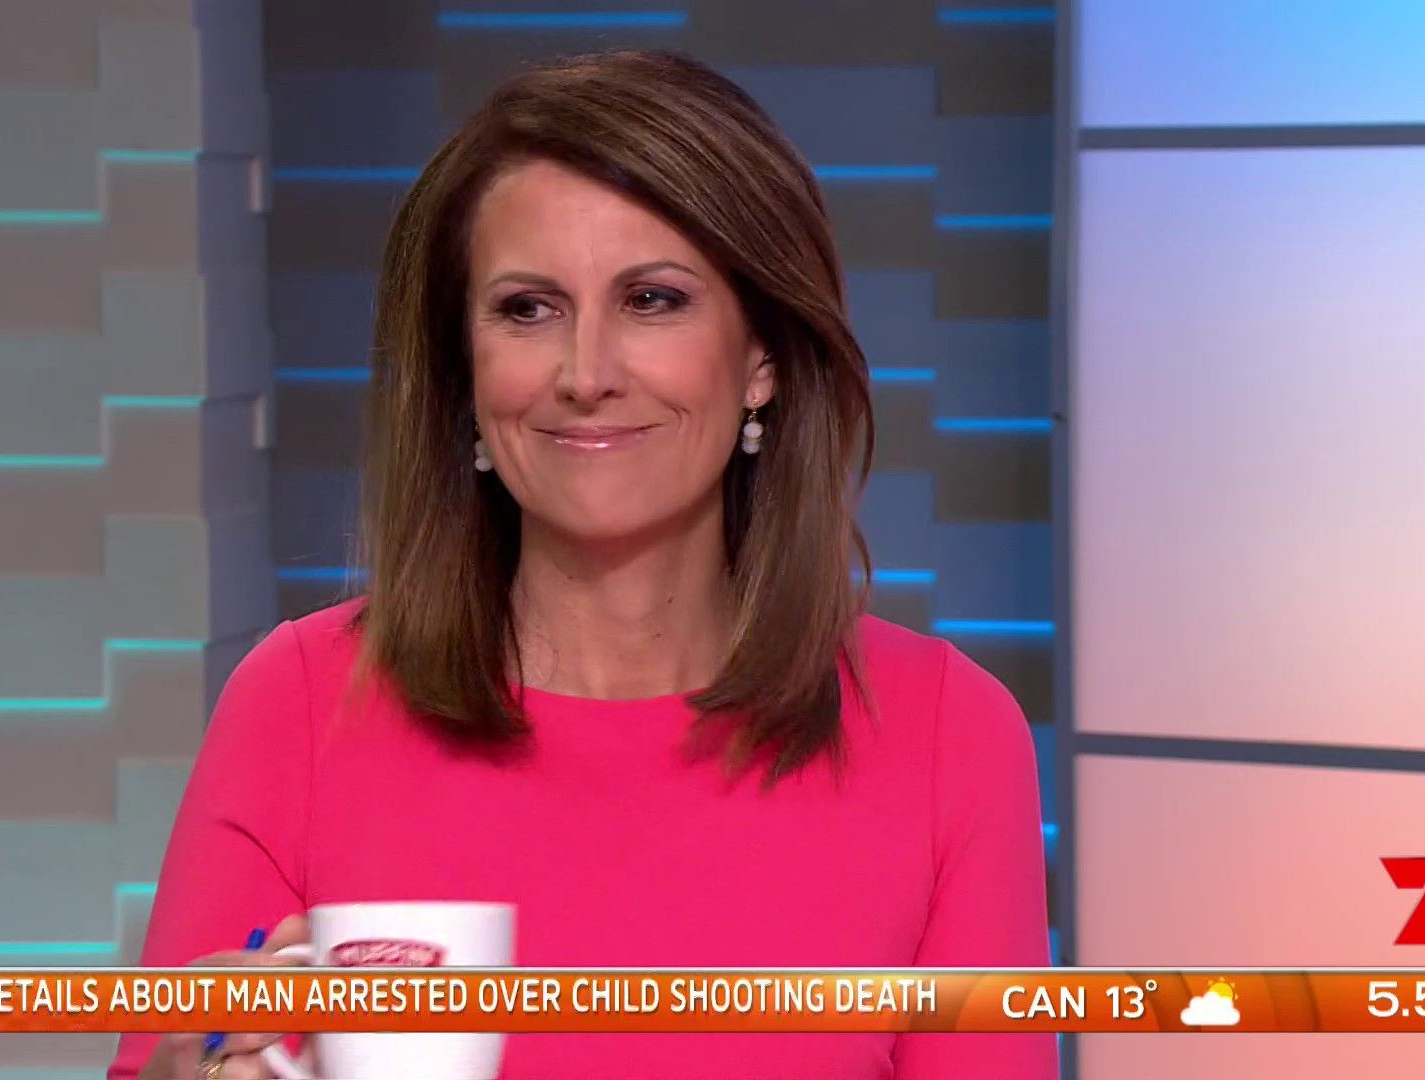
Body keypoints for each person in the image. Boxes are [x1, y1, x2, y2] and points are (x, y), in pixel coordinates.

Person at [114, 48, 1054, 1080]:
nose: (586, 374)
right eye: (528, 309)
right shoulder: (298, 709)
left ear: (762, 357)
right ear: (466, 371)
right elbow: (185, 1056)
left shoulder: (949, 740)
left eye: (652, 300)